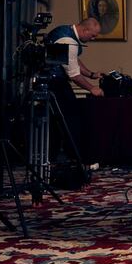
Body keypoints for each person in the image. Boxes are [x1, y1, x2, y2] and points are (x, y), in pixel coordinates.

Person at [44, 18, 105, 161]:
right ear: (85, 30)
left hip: (55, 81)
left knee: (68, 118)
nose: (93, 38)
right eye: (93, 35)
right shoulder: (68, 40)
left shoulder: (67, 32)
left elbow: (73, 59)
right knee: (72, 119)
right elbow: (74, 75)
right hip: (53, 83)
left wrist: (91, 74)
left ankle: (66, 156)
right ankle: (75, 158)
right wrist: (92, 88)